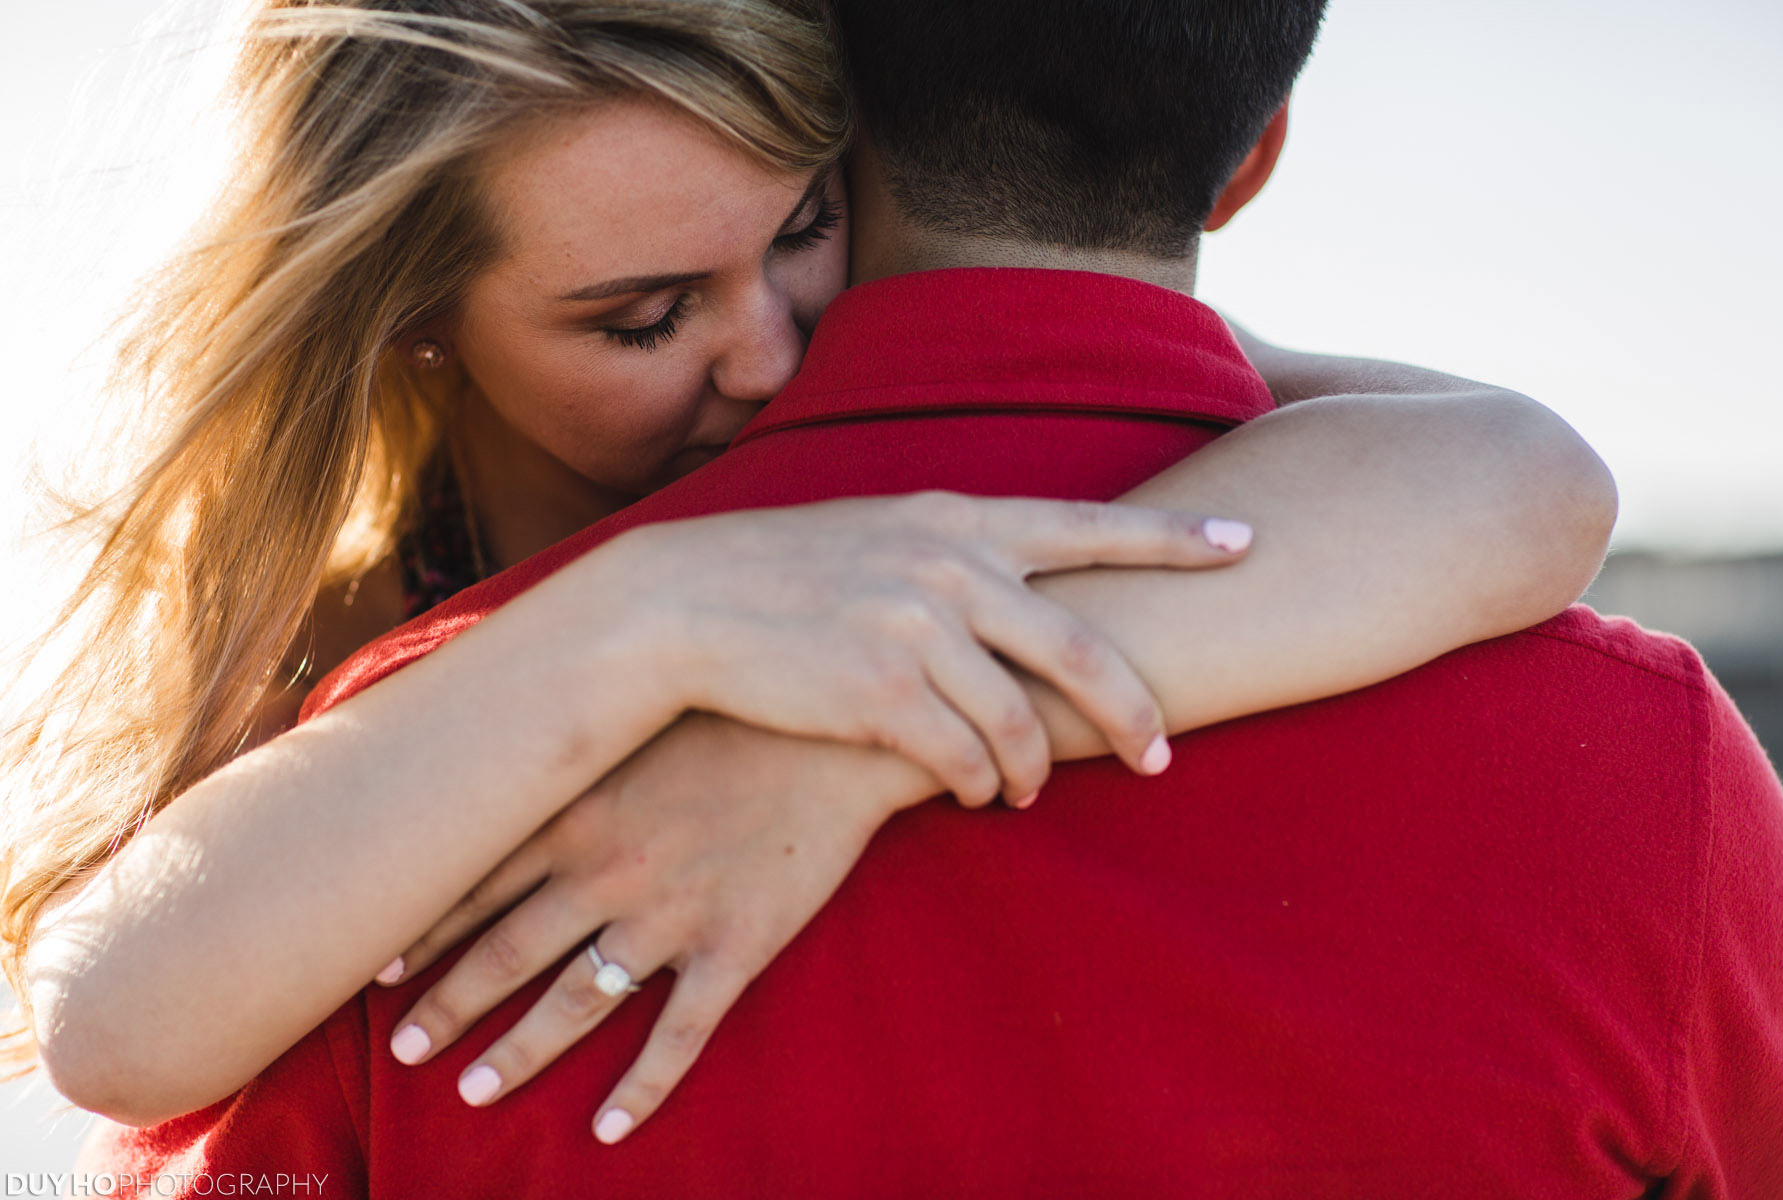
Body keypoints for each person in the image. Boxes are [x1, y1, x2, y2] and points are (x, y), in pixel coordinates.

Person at [14, 0, 1628, 1178]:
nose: (776, 356)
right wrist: (647, 617)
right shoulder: (321, 640)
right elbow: (114, 1028)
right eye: (645, 320)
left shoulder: (899, 400)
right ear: (417, 319)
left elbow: (1518, 473)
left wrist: (846, 738)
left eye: (804, 232)